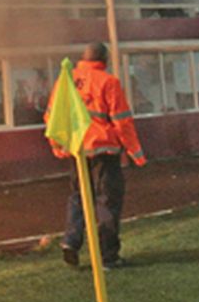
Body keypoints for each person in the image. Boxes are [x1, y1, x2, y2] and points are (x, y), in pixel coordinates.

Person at [47, 43, 147, 270]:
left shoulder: (67, 80)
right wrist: (136, 153)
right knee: (107, 203)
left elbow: (53, 117)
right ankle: (108, 257)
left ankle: (71, 241)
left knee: (78, 197)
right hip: (105, 151)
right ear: (104, 59)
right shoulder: (108, 82)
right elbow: (122, 122)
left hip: (78, 151)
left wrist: (58, 145)